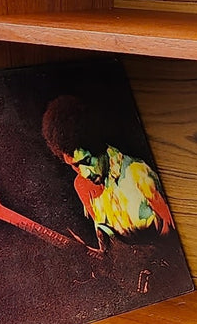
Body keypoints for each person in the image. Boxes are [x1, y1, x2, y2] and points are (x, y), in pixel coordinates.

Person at [40, 94, 174, 245]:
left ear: (97, 147)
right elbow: (111, 246)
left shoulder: (138, 173)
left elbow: (175, 234)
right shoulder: (81, 185)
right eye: (75, 165)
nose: (85, 173)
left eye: (87, 161)